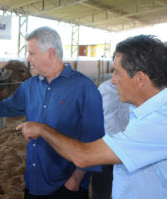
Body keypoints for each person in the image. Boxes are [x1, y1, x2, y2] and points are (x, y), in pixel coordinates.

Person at [0, 26, 104, 199]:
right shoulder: (29, 86)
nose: (28, 59)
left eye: (32, 53)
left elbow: (95, 141)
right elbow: (4, 107)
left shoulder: (84, 88)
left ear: (50, 53)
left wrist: (74, 182)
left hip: (66, 185)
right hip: (33, 182)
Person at [18, 35, 167, 199]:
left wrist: (42, 129)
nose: (113, 81)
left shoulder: (161, 121)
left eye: (117, 73)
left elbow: (84, 156)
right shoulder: (144, 110)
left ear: (140, 79)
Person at [91, 79, 130, 199]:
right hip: (104, 148)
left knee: (125, 191)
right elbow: (93, 115)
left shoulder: (137, 92)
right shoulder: (104, 88)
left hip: (126, 152)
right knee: (101, 190)